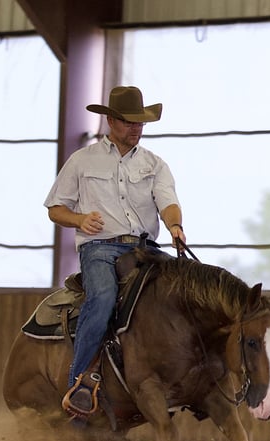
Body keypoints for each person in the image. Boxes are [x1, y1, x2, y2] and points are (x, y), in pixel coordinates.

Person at [45, 85, 186, 415]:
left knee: (185, 291)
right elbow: (55, 209)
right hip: (99, 249)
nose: (136, 128)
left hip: (145, 249)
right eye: (129, 122)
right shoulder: (82, 161)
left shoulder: (155, 165)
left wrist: (175, 226)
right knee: (103, 297)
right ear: (111, 121)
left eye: (140, 123)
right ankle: (79, 384)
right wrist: (79, 219)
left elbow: (168, 202)